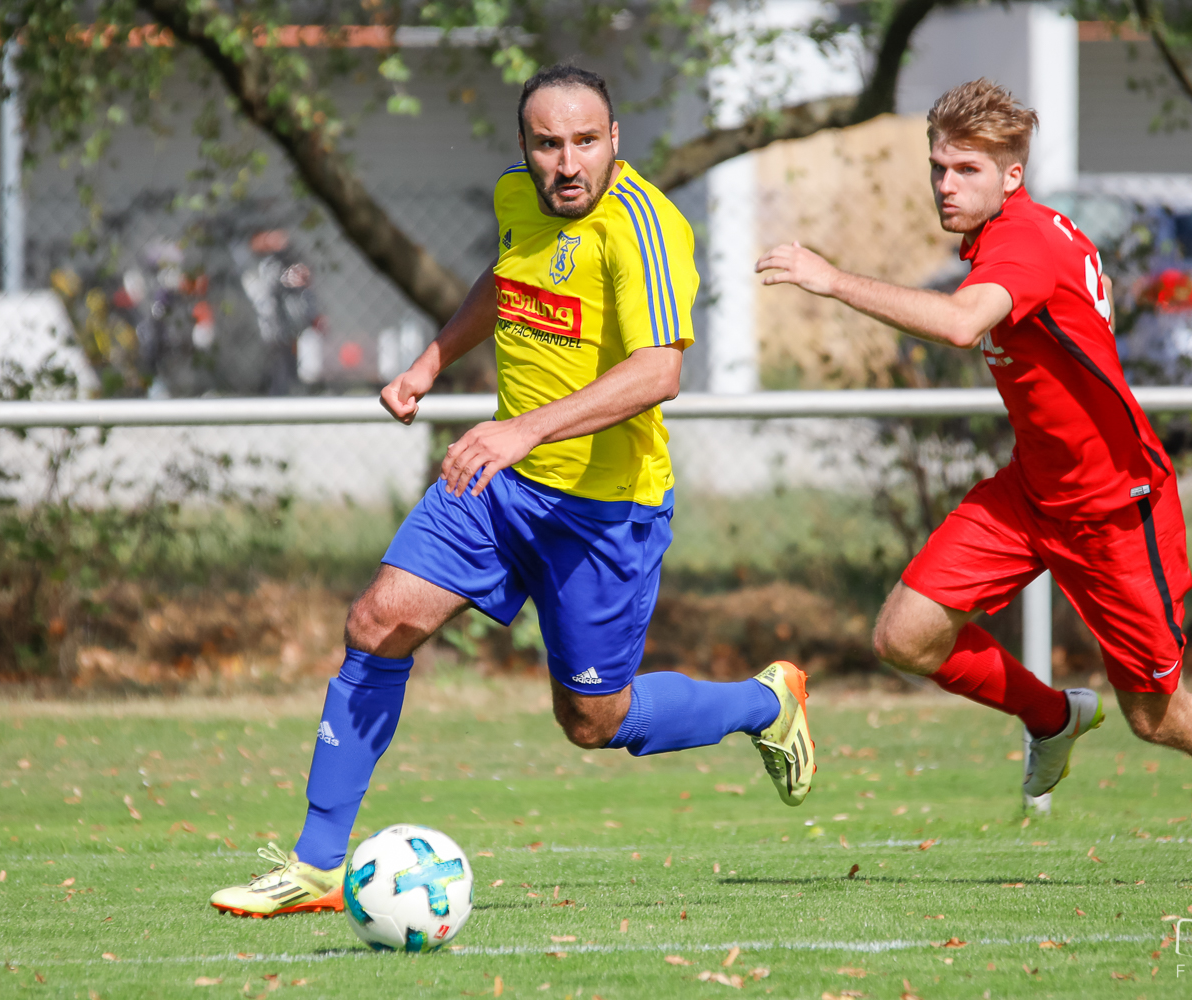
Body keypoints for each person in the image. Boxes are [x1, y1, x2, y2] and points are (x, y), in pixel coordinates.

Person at [210, 65, 816, 918]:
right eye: (547, 145)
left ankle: (765, 702)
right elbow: (507, 283)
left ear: (614, 142)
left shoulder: (642, 225)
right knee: (378, 622)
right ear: (524, 150)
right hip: (499, 487)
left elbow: (659, 370)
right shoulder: (515, 200)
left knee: (592, 721)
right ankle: (316, 866)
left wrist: (523, 427)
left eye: (584, 142)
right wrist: (431, 360)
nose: (567, 163)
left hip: (605, 514)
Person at [756, 79, 1192, 884]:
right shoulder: (1010, 235)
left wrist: (832, 280)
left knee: (1156, 715)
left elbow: (962, 324)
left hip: (1117, 508)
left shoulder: (1025, 242)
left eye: (965, 169)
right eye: (938, 166)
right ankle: (1052, 715)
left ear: (1011, 175)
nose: (944, 184)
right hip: (1033, 492)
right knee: (904, 635)